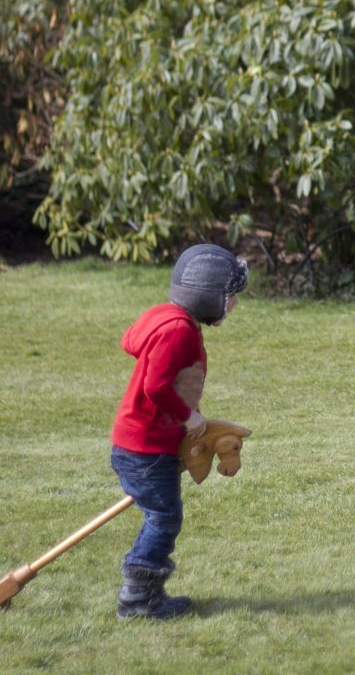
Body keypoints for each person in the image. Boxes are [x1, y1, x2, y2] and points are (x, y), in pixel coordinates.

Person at [108, 242, 249, 619]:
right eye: (229, 296)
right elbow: (156, 387)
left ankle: (142, 595)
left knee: (161, 514)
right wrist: (188, 417)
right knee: (164, 518)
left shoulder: (167, 318)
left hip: (144, 444)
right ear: (205, 295)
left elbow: (132, 342)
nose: (233, 304)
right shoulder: (177, 330)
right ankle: (138, 599)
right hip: (144, 448)